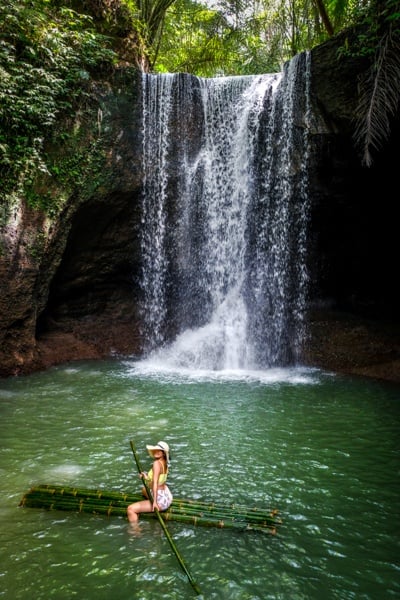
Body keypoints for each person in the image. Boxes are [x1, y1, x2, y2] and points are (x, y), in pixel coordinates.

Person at [127, 441, 173, 523]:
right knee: (144, 489)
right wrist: (146, 477)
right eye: (156, 449)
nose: (156, 451)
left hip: (160, 501)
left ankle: (135, 533)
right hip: (167, 498)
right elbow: (159, 479)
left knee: (130, 509)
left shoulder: (156, 463)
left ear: (163, 454)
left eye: (159, 451)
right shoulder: (164, 463)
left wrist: (154, 502)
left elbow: (155, 483)